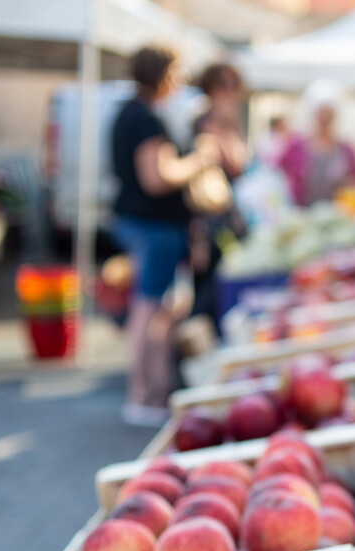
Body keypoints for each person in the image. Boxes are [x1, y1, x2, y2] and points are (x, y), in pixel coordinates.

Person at [111, 45, 220, 426]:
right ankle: (141, 394)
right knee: (146, 310)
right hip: (153, 227)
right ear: (163, 74)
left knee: (160, 311)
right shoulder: (143, 118)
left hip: (151, 226)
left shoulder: (133, 114)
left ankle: (156, 392)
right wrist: (199, 161)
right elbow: (156, 177)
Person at [190, 63, 249, 332]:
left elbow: (240, 166)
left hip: (228, 222)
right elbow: (197, 183)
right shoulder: (203, 124)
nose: (230, 92)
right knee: (206, 297)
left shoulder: (228, 123)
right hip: (209, 225)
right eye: (224, 86)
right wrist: (197, 238)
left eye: (234, 85)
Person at [279, 79, 355, 207]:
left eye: (328, 114)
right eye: (321, 113)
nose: (324, 119)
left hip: (337, 216)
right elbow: (276, 174)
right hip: (301, 214)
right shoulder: (296, 146)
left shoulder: (347, 149)